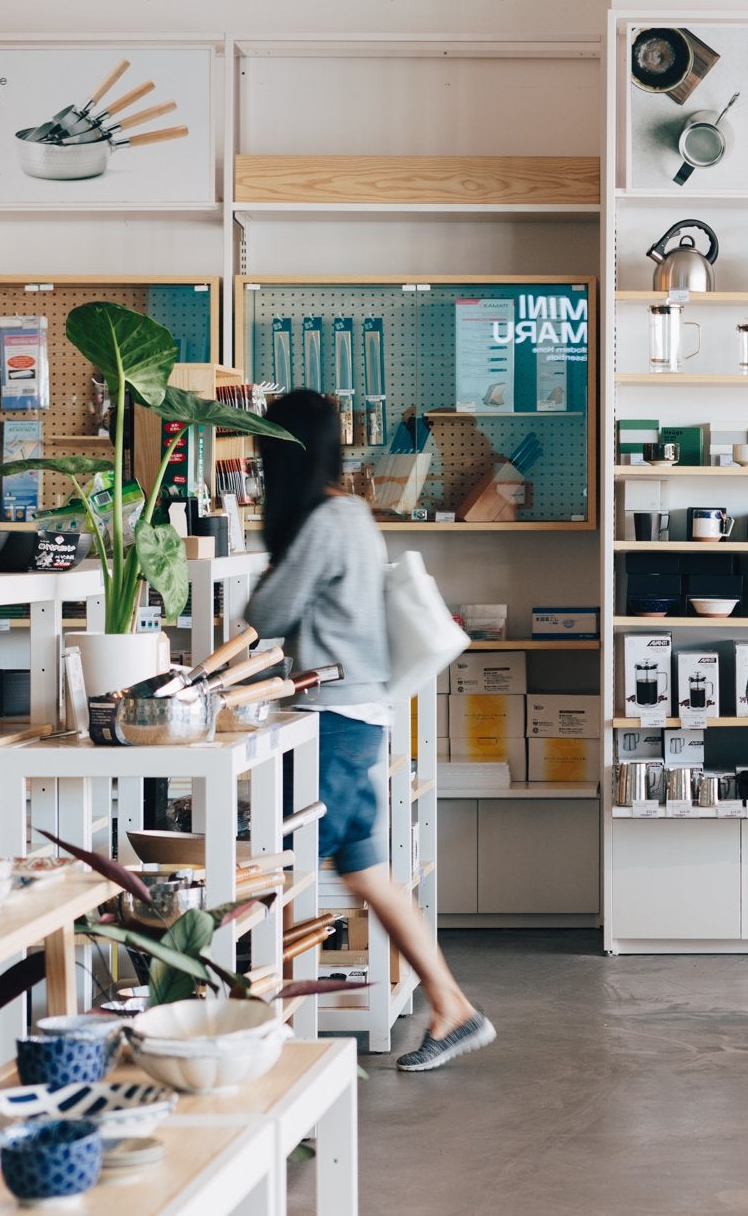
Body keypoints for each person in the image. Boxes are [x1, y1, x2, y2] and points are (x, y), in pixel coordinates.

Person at [244, 389, 494, 1071]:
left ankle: (264, 1038)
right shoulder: (349, 512)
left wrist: (269, 576)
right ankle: (453, 1006)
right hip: (360, 717)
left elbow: (267, 612)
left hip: (334, 719)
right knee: (369, 877)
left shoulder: (328, 518)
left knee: (270, 878)